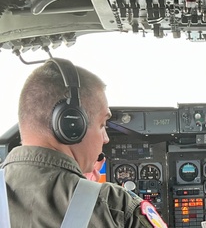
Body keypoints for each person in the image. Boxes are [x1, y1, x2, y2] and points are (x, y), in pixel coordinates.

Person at [0, 59, 168, 227]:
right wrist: (90, 195)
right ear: (71, 126)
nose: (106, 138)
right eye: (102, 125)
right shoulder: (117, 207)